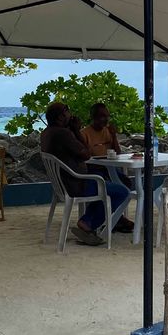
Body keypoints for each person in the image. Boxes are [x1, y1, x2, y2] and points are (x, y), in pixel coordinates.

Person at [40, 102, 131, 246]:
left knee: (107, 184)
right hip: (77, 184)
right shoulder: (63, 134)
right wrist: (75, 131)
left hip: (63, 184)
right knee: (122, 191)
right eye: (68, 111)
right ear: (61, 116)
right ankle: (89, 223)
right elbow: (86, 154)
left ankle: (89, 221)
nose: (71, 115)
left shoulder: (46, 133)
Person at [80, 103, 134, 233]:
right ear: (93, 117)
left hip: (110, 168)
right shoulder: (85, 133)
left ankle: (116, 217)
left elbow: (117, 153)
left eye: (107, 116)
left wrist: (114, 135)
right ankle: (108, 219)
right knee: (109, 187)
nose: (106, 120)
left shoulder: (107, 132)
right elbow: (84, 158)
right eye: (102, 116)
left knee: (126, 182)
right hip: (94, 170)